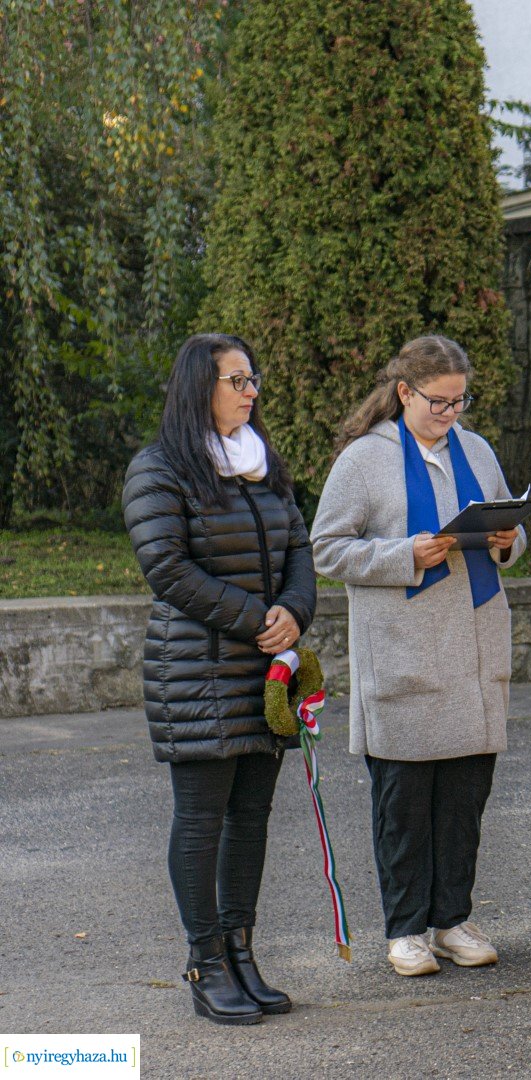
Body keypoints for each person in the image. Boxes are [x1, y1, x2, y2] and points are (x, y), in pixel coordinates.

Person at [311, 335, 525, 977]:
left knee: (464, 798)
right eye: (439, 401)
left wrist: (511, 538)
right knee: (404, 804)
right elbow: (326, 549)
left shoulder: (478, 450)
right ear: (404, 392)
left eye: (460, 402)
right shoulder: (363, 460)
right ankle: (405, 931)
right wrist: (408, 554)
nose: (451, 414)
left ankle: (452, 920)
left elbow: (509, 533)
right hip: (404, 654)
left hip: (474, 649)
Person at [123, 334, 317, 1025]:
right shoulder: (159, 468)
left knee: (252, 818)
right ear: (198, 388)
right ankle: (205, 961)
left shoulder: (261, 465)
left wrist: (293, 613)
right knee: (203, 818)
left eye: (251, 378)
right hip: (196, 671)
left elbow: (300, 545)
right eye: (237, 380)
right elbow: (167, 569)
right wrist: (256, 620)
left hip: (262, 667)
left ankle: (241, 951)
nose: (250, 391)